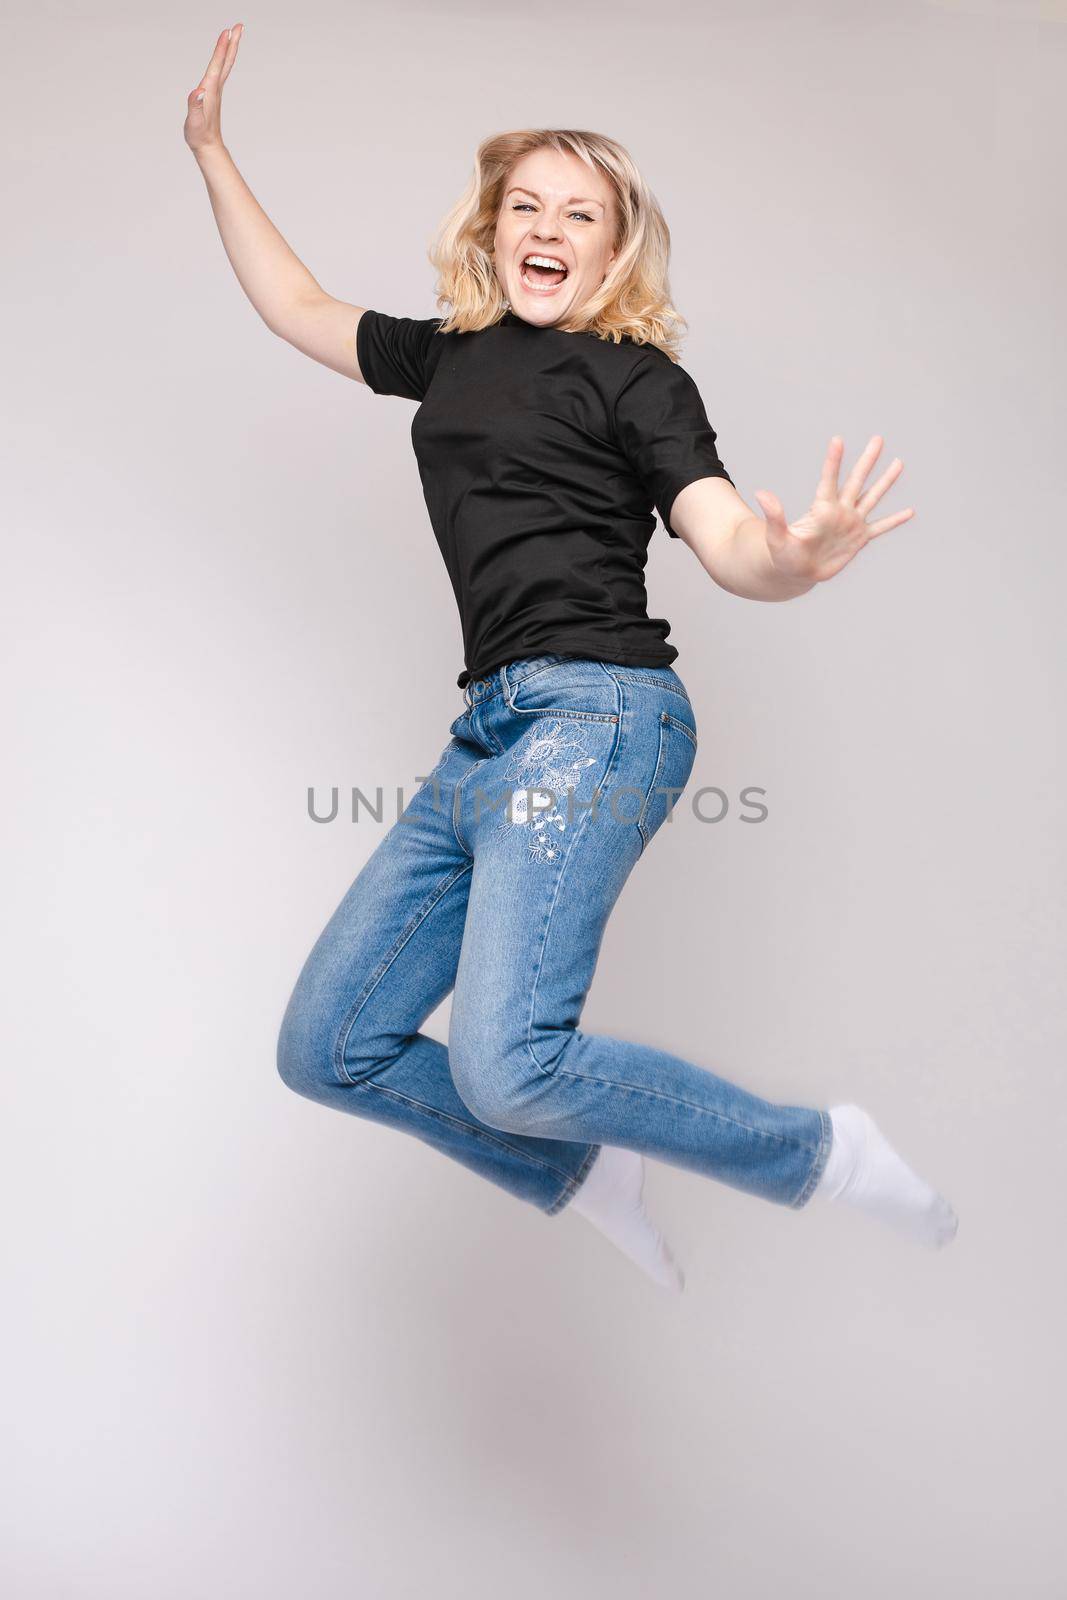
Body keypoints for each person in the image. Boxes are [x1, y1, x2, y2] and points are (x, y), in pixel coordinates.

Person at [185, 24, 958, 1293]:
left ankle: (813, 1152)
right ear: (492, 230)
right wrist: (211, 152)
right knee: (329, 1045)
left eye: (577, 212)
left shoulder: (635, 381)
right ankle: (576, 1170)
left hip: (598, 716)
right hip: (484, 734)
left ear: (611, 245)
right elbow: (297, 307)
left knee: (509, 1063)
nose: (545, 226)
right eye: (523, 205)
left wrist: (792, 557)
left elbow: (720, 534)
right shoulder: (444, 356)